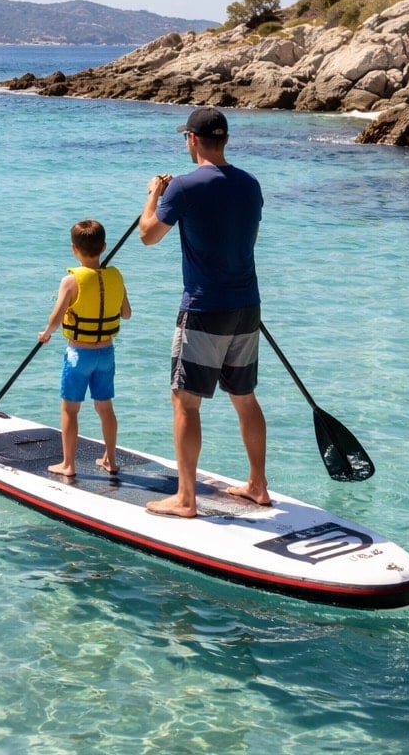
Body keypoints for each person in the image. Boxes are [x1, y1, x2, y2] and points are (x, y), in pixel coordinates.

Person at [138, 106, 269, 518]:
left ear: (192, 140)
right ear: (224, 140)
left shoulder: (184, 188)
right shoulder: (251, 186)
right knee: (245, 398)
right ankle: (257, 486)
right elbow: (247, 239)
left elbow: (147, 236)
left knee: (185, 401)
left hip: (203, 308)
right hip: (246, 306)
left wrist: (154, 194)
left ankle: (186, 498)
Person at [38, 219, 132, 477]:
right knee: (105, 407)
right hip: (106, 354)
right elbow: (126, 314)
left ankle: (68, 465)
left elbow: (56, 318)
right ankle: (110, 460)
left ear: (73, 249)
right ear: (104, 246)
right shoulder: (116, 276)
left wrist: (46, 334)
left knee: (70, 409)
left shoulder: (70, 281)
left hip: (79, 355)